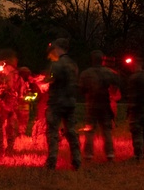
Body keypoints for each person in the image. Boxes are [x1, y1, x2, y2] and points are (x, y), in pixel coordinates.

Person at [42, 38, 81, 171]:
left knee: (52, 132)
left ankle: (51, 162)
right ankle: (76, 160)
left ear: (58, 48)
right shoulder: (73, 64)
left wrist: (42, 81)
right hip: (70, 102)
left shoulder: (57, 64)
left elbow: (51, 80)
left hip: (56, 102)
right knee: (71, 132)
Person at [78, 51, 122, 162]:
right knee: (106, 130)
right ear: (102, 60)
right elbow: (118, 81)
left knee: (89, 130)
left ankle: (88, 155)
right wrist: (113, 90)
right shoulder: (108, 72)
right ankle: (110, 154)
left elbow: (81, 89)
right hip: (105, 104)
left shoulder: (86, 73)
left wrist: (88, 92)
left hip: (92, 104)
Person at [0, 57, 24, 156]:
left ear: (6, 66)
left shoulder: (7, 77)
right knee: (11, 127)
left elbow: (4, 89)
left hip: (5, 104)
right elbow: (22, 92)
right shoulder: (19, 77)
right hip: (14, 105)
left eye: (2, 68)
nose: (2, 70)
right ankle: (10, 150)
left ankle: (0, 149)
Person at [123, 56, 144, 160]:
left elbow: (132, 95)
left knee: (137, 131)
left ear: (135, 65)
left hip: (137, 109)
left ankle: (138, 154)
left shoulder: (135, 77)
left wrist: (129, 109)